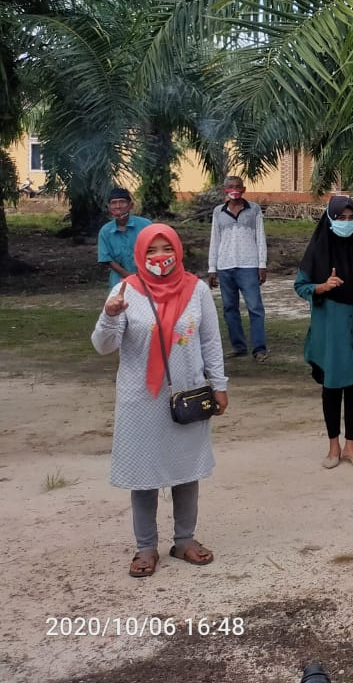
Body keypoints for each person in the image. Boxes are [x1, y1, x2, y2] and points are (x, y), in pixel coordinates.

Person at [91, 223, 228, 578]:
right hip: (140, 399)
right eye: (151, 250)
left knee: (186, 470)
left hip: (189, 394)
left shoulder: (196, 290)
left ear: (178, 251)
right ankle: (145, 546)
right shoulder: (125, 291)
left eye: (166, 248)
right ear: (139, 254)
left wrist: (220, 385)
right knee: (144, 474)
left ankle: (184, 540)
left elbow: (211, 342)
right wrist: (110, 316)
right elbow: (103, 346)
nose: (159, 256)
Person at [295, 196, 353, 469]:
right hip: (330, 330)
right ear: (330, 219)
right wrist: (321, 287)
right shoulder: (318, 250)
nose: (346, 222)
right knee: (332, 387)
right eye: (340, 217)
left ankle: (351, 447)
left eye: (350, 217)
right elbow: (301, 286)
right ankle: (333, 447)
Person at [207, 175, 269, 361]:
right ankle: (238, 346)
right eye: (230, 187)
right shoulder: (219, 212)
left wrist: (262, 264)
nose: (234, 189)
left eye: (237, 186)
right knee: (229, 308)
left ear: (243, 189)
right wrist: (212, 267)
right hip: (225, 266)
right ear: (225, 190)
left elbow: (260, 238)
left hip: (248, 265)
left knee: (255, 308)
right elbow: (214, 240)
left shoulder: (254, 210)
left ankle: (259, 349)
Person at [98, 187, 151, 288]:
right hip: (119, 280)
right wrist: (130, 277)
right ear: (109, 207)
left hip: (147, 278)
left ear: (131, 205)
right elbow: (108, 259)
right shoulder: (105, 232)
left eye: (122, 202)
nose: (118, 206)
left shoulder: (146, 225)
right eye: (114, 203)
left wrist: (144, 276)